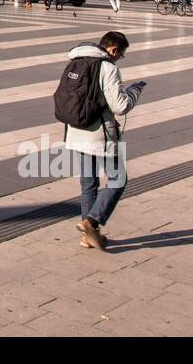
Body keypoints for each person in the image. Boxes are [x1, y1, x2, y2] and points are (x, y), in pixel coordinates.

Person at [59, 30, 144, 251]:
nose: (119, 58)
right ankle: (93, 221)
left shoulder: (75, 62)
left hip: (76, 131)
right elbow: (120, 106)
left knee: (89, 185)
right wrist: (134, 91)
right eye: (121, 54)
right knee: (118, 180)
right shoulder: (108, 68)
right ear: (113, 50)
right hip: (100, 136)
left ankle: (89, 236)